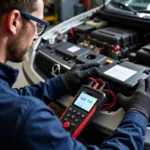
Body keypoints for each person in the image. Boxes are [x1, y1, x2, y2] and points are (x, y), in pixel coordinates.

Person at [0, 0, 150, 149]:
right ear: (14, 21)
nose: (36, 37)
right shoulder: (29, 118)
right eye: (39, 25)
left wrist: (60, 83)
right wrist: (138, 113)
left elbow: (13, 97)